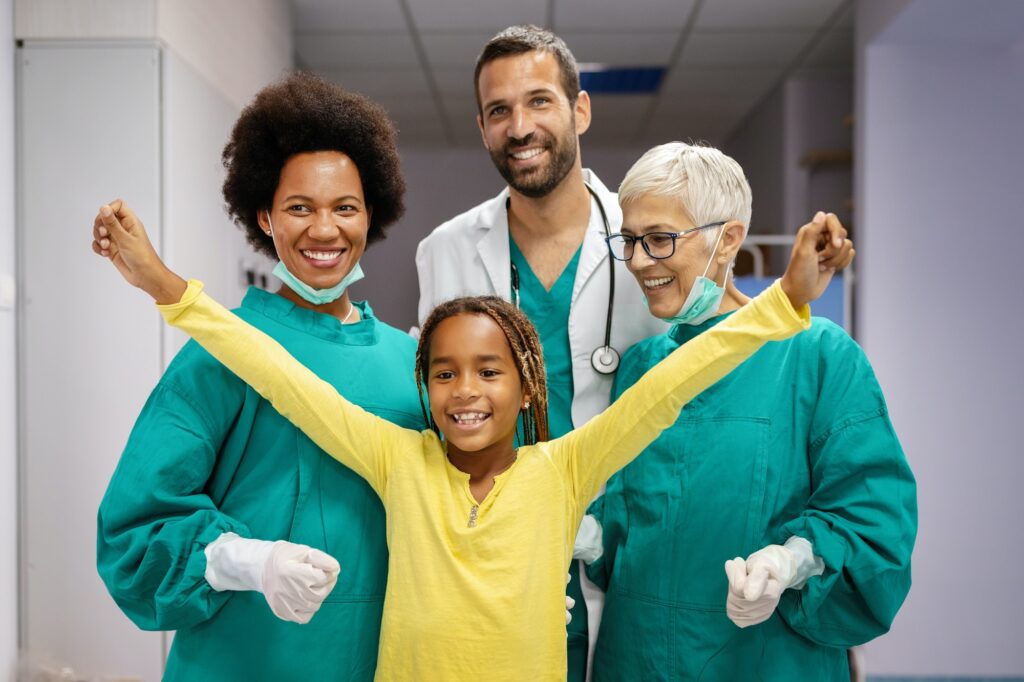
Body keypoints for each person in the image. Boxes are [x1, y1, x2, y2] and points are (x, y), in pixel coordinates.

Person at [90, 184, 851, 680]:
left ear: (526, 385)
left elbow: (679, 381)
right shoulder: (398, 459)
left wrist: (783, 300)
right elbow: (278, 374)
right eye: (445, 373)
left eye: (489, 371)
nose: (465, 392)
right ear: (424, 387)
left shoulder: (566, 469)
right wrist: (165, 286)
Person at [94, 73, 423, 681]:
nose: (324, 230)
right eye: (300, 208)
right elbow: (131, 531)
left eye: (344, 208)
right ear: (265, 217)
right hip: (240, 661)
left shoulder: (412, 368)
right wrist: (244, 561)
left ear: (370, 214)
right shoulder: (221, 356)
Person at [576, 142, 916, 681]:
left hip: (766, 660)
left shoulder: (816, 355)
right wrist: (578, 532)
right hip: (635, 658)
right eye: (630, 240)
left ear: (728, 238)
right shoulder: (642, 367)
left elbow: (873, 520)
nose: (639, 261)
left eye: (660, 239)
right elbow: (629, 529)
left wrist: (792, 563)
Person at [415, 26, 665, 675]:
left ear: (579, 110)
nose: (519, 126)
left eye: (539, 102)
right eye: (499, 110)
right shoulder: (445, 250)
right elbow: (436, 412)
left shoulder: (645, 245)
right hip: (495, 563)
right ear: (481, 126)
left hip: (629, 561)